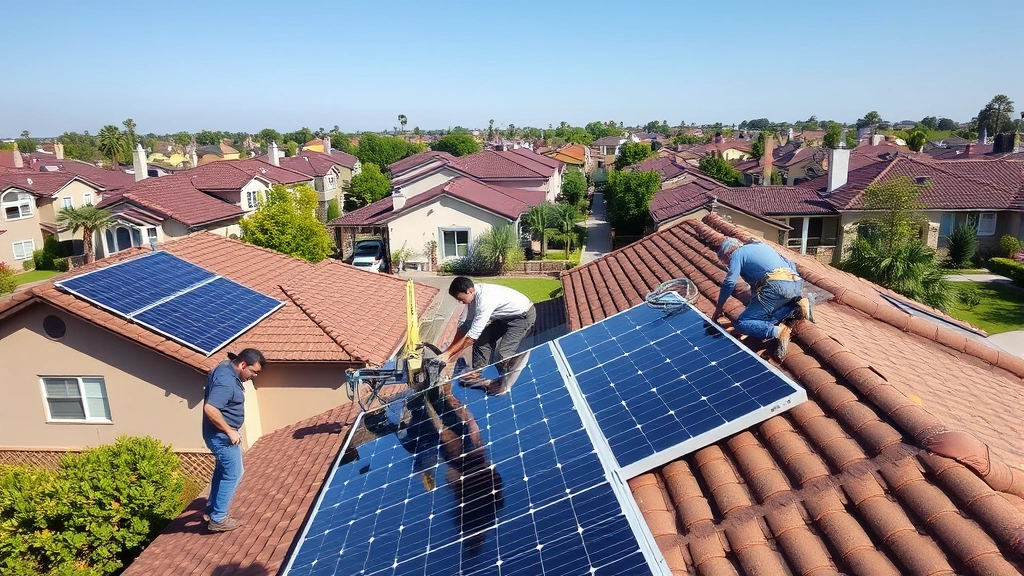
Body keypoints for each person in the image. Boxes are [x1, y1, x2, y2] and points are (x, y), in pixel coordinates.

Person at [711, 238, 811, 360]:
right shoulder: (761, 246)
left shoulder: (737, 253)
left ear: (728, 253)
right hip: (795, 284)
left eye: (725, 261)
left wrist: (719, 308)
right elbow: (791, 264)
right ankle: (795, 305)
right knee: (765, 315)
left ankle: (778, 332)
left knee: (742, 323)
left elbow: (729, 282)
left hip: (775, 286)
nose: (727, 264)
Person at [202, 348, 264, 532]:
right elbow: (210, 408)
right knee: (234, 473)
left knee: (222, 470)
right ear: (243, 364)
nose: (253, 376)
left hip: (216, 434)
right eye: (253, 371)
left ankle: (212, 509)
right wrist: (229, 431)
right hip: (222, 436)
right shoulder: (227, 382)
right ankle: (218, 518)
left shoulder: (225, 367)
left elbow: (221, 364)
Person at [439, 276, 536, 369]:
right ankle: (478, 376)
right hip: (504, 317)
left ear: (470, 291)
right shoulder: (473, 297)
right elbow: (465, 327)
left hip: (522, 317)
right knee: (481, 341)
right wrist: (449, 351)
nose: (461, 303)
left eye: (462, 300)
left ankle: (504, 381)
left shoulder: (485, 301)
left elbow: (471, 337)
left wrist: (452, 354)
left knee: (504, 353)